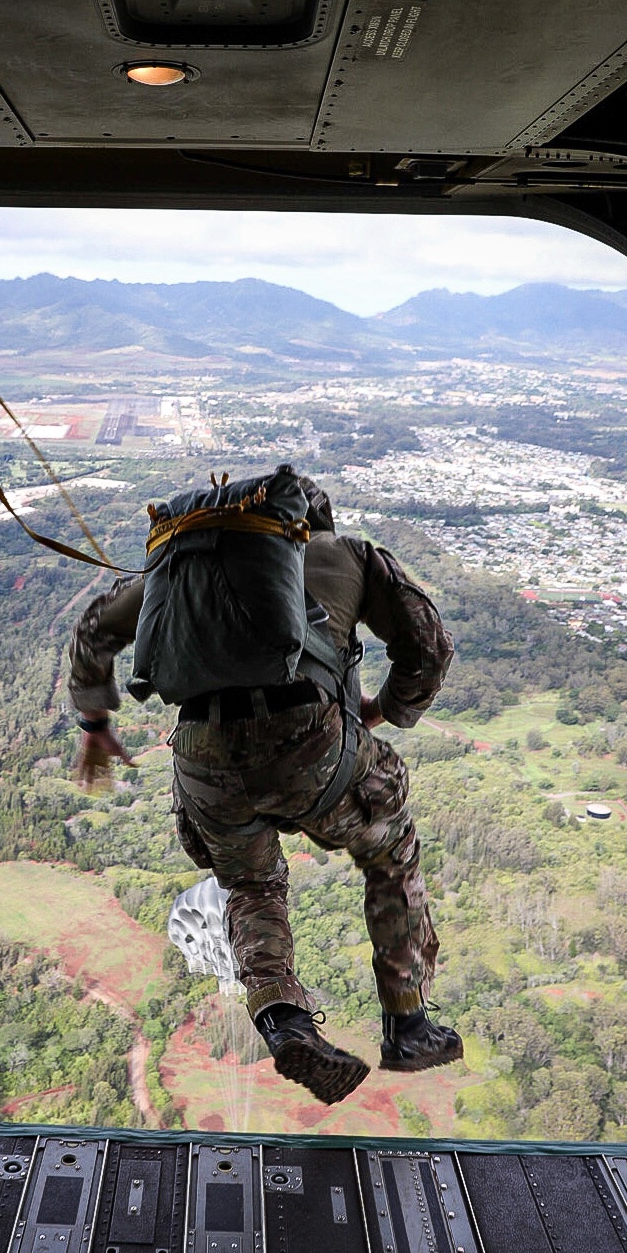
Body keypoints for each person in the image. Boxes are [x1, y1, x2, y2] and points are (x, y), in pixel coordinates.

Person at [68, 474, 462, 1105]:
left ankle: (282, 1019)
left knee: (251, 887)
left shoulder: (177, 571)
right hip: (310, 747)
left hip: (202, 761)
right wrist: (385, 709)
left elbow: (92, 631)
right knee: (390, 853)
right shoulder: (348, 555)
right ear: (313, 523)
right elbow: (429, 646)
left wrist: (94, 722)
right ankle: (408, 1023)